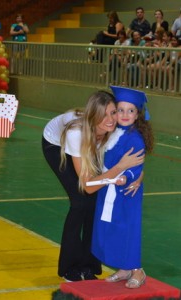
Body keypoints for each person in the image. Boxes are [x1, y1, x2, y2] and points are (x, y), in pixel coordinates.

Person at [42, 91, 144, 282]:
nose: (111, 120)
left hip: (91, 144)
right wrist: (121, 167)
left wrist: (138, 176)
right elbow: (88, 185)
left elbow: (137, 155)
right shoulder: (76, 134)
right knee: (80, 202)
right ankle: (70, 268)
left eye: (113, 112)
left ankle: (89, 265)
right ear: (93, 115)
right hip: (56, 145)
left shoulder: (114, 127)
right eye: (103, 115)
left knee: (95, 202)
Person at [92, 86, 154, 289]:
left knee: (127, 229)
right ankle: (124, 267)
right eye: (120, 110)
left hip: (126, 192)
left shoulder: (134, 138)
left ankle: (137, 269)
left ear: (137, 115)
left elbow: (136, 165)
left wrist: (128, 178)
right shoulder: (112, 132)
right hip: (107, 187)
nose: (125, 115)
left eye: (131, 111)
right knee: (112, 229)